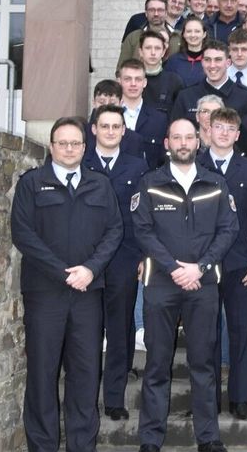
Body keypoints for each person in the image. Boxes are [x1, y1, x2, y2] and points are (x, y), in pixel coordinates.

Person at [11, 117, 123, 452]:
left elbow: (114, 230)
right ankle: (43, 446)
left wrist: (90, 269)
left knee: (86, 374)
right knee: (43, 375)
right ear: (52, 147)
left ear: (84, 148)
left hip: (88, 293)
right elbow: (23, 234)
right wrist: (63, 273)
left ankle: (81, 445)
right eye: (63, 143)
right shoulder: (32, 183)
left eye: (76, 144)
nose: (70, 149)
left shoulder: (100, 184)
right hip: (45, 294)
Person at [132, 118, 238, 452]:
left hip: (203, 284)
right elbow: (143, 230)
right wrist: (174, 267)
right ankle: (150, 439)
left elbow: (228, 230)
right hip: (161, 285)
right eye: (176, 137)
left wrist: (201, 267)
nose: (182, 143)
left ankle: (208, 437)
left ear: (198, 141)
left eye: (188, 137)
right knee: (157, 365)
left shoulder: (216, 184)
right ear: (167, 143)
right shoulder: (150, 183)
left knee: (203, 364)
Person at [197, 108, 247, 422]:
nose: (223, 133)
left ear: (239, 135)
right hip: (203, 263)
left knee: (240, 331)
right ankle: (206, 399)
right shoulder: (195, 165)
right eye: (218, 127)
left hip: (240, 262)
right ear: (208, 130)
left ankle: (240, 399)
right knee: (205, 333)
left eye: (230, 129)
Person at [83, 105, 149, 422]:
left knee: (120, 328)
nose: (110, 131)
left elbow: (142, 215)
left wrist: (143, 256)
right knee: (85, 330)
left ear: (124, 131)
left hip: (124, 258)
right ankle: (84, 398)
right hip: (85, 259)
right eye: (104, 126)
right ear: (93, 129)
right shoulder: (81, 162)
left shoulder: (137, 166)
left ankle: (113, 399)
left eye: (116, 126)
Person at [171, 41, 247, 125]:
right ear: (202, 62)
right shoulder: (186, 96)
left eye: (218, 60)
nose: (212, 65)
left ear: (228, 63)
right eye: (207, 60)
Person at [117, 58, 170, 169]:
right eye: (127, 79)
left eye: (138, 79)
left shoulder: (159, 119)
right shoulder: (107, 116)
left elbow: (163, 158)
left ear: (145, 83)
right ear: (119, 81)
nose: (133, 84)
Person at [139, 30, 185, 115]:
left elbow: (179, 114)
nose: (153, 53)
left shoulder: (174, 81)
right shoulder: (132, 81)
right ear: (141, 52)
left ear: (163, 52)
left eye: (157, 48)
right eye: (148, 48)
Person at [164, 15, 208, 87]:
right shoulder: (173, 61)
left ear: (204, 34)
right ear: (183, 34)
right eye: (189, 31)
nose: (193, 35)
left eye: (197, 31)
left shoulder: (211, 60)